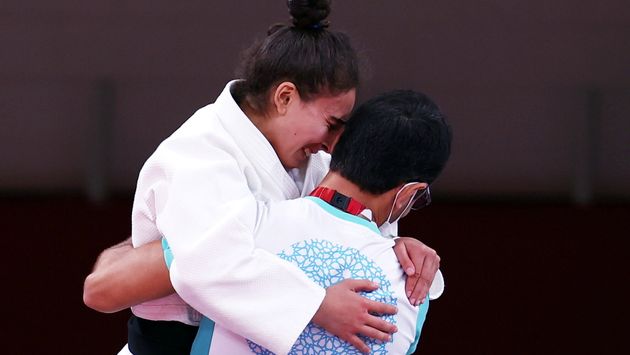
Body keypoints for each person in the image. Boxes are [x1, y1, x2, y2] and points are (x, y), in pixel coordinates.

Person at [83, 1, 441, 354]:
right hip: (174, 341)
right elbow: (207, 266)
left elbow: (351, 231)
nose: (332, 142)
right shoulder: (201, 150)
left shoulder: (313, 162)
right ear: (285, 97)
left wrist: (397, 246)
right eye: (331, 124)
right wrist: (317, 306)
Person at [183, 89, 452, 354]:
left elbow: (181, 264)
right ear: (409, 193)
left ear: (336, 141)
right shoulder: (410, 294)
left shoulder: (245, 225)